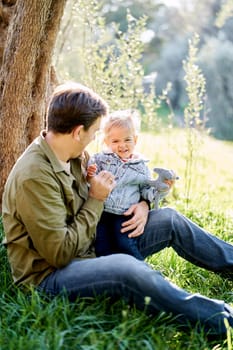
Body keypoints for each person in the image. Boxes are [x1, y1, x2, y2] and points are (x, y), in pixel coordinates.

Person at [2, 82, 233, 336]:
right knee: (126, 269)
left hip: (95, 244)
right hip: (51, 276)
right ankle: (223, 320)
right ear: (78, 132)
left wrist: (144, 205)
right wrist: (95, 200)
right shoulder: (34, 176)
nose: (95, 139)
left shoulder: (75, 155)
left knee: (169, 219)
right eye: (94, 132)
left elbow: (124, 187)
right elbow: (60, 254)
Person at [87, 110, 175, 260]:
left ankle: (141, 271)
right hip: (101, 212)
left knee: (124, 243)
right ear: (106, 142)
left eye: (127, 140)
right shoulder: (102, 159)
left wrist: (162, 189)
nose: (122, 145)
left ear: (135, 140)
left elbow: (146, 191)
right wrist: (91, 174)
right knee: (101, 245)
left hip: (124, 215)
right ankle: (109, 273)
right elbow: (92, 178)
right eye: (115, 141)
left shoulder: (140, 167)